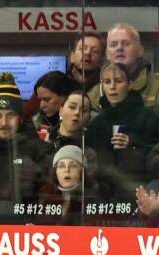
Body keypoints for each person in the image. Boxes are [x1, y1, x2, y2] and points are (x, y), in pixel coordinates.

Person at [0, 73, 54, 223]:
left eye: (10, 115)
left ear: (21, 118)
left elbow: (51, 201)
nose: (4, 123)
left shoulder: (41, 152)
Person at [84, 62, 159, 200]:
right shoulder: (97, 123)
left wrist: (133, 144)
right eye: (107, 82)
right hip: (103, 196)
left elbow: (156, 156)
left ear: (130, 84)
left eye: (118, 81)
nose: (112, 87)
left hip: (141, 192)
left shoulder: (149, 117)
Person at [91, 23, 159, 111]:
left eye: (126, 44)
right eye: (113, 44)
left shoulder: (156, 87)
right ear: (107, 53)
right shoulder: (95, 94)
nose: (119, 48)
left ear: (140, 51)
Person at [29, 71, 76, 138]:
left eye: (47, 99)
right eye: (40, 100)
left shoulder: (82, 121)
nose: (41, 106)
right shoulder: (37, 121)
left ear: (65, 96)